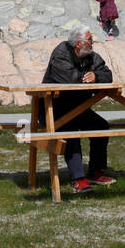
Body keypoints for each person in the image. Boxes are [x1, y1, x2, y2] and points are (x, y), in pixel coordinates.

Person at [42, 27, 116, 192]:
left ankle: (96, 171)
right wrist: (89, 77)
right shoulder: (60, 54)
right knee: (71, 130)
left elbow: (108, 75)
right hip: (53, 110)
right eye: (89, 40)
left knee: (101, 126)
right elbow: (70, 80)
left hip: (78, 109)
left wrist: (96, 77)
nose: (92, 43)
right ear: (78, 43)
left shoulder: (91, 55)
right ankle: (78, 178)